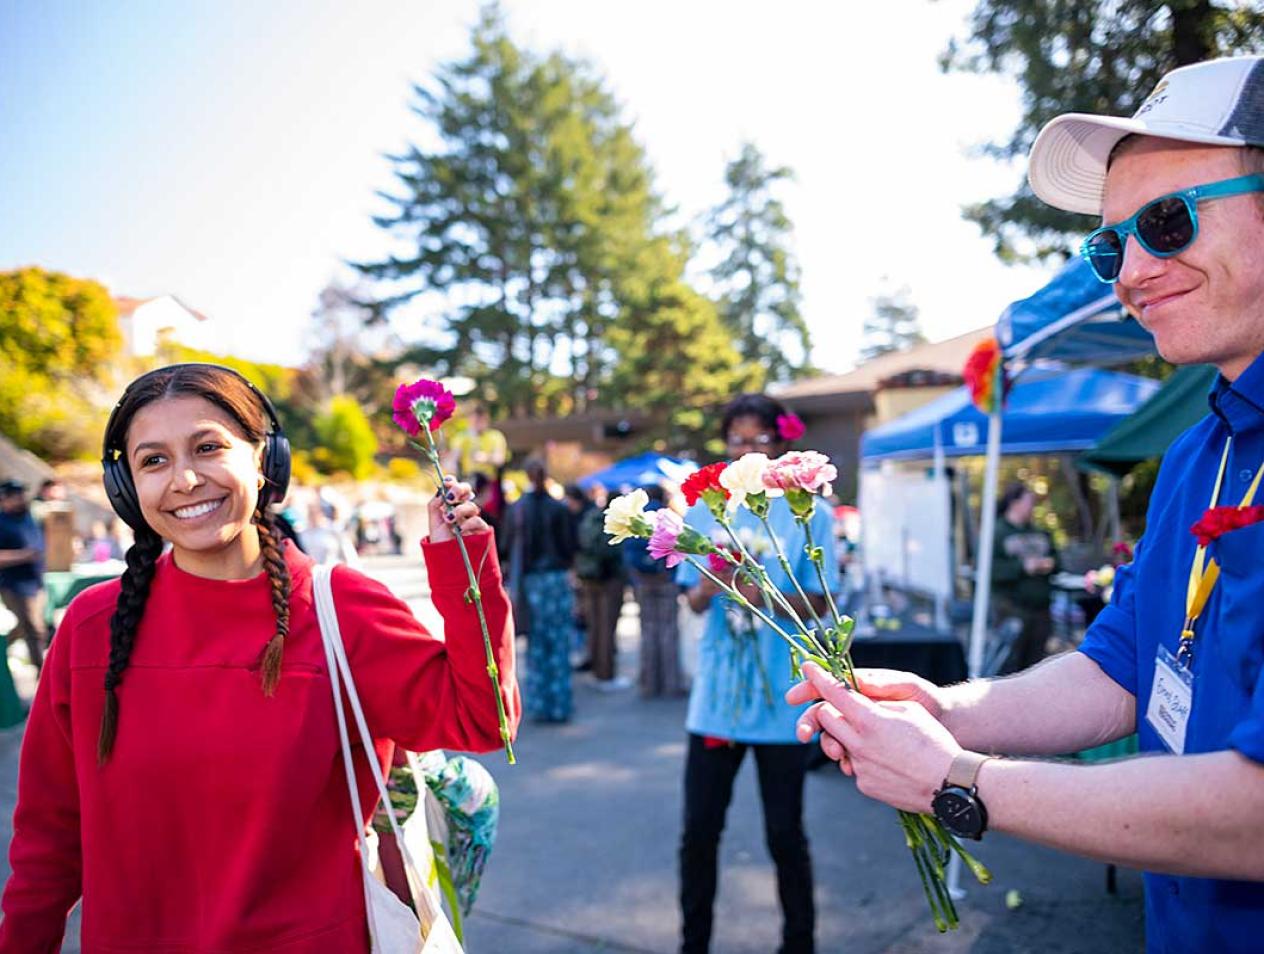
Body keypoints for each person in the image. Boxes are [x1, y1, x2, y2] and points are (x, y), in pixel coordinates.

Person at [791, 55, 1264, 954]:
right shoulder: (1201, 446)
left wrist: (956, 778)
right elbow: (1123, 666)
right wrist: (951, 711)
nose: (1128, 272)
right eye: (1109, 244)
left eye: (1166, 222)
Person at [0, 363, 520, 952]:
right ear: (126, 488)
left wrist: (463, 567)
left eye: (208, 447)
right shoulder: (92, 627)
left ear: (264, 459)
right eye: (154, 460)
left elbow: (480, 719)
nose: (186, 479)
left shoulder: (338, 608)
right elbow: (47, 840)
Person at [674, 394, 838, 954]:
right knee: (699, 833)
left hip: (783, 698)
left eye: (759, 439)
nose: (747, 450)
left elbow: (824, 599)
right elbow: (694, 604)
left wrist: (766, 592)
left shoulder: (808, 509)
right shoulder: (703, 508)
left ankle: (800, 944)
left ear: (780, 443)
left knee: (785, 834)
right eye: (737, 440)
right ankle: (693, 944)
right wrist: (712, 585)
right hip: (717, 699)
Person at [499, 457, 577, 723]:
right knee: (559, 642)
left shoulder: (517, 509)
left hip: (530, 581)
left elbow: (506, 547)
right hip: (556, 580)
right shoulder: (560, 508)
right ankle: (560, 703)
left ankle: (540, 703)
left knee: (536, 644)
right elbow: (570, 546)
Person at [621, 484, 685, 698]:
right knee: (668, 632)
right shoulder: (667, 517)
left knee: (648, 631)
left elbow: (628, 554)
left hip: (643, 583)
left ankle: (648, 683)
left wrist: (636, 578)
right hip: (666, 582)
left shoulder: (637, 521)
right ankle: (671, 683)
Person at [990, 481, 1057, 673]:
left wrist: (1049, 564)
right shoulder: (997, 532)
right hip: (1012, 609)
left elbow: (1057, 560)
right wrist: (1022, 567)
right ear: (1015, 502)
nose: (1032, 506)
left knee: (1036, 666)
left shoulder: (1039, 532)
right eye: (1029, 501)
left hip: (1041, 610)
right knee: (1011, 665)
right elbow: (991, 570)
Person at [569, 482, 626, 686]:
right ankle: (606, 674)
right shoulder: (612, 520)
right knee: (607, 628)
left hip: (590, 577)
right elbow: (614, 551)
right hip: (609, 578)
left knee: (594, 626)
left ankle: (596, 671)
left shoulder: (591, 516)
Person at [0, 480, 48, 672]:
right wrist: (23, 555)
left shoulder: (29, 517)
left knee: (27, 627)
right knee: (35, 630)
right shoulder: (2, 522)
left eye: (22, 494)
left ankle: (3, 646)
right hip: (14, 585)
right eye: (16, 496)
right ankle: (42, 673)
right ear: (5, 498)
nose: (21, 499)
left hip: (36, 582)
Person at [442, 404, 508, 482]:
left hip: (489, 480)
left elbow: (500, 459)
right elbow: (452, 459)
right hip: (467, 478)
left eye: (481, 420)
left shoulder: (495, 436)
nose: (478, 424)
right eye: (476, 421)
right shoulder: (461, 437)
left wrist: (486, 458)